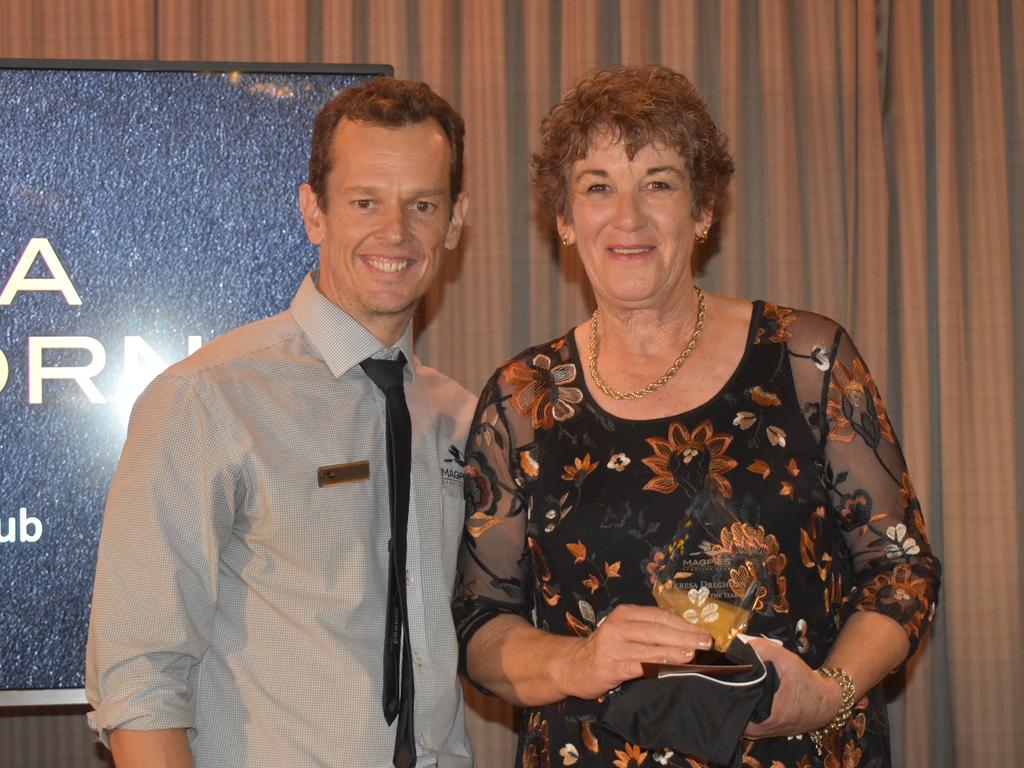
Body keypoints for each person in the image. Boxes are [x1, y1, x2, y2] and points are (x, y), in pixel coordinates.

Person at [453, 65, 940, 767]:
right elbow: (480, 625)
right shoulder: (522, 400)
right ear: (562, 220)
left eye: (659, 182)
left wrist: (828, 693)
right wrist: (578, 663)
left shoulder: (807, 360)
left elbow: (901, 571)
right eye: (597, 187)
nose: (628, 217)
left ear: (704, 210)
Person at [86, 77, 475, 768]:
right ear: (313, 213)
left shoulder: (462, 418)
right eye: (364, 202)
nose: (396, 232)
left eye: (422, 204)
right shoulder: (207, 398)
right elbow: (140, 678)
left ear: (454, 220)